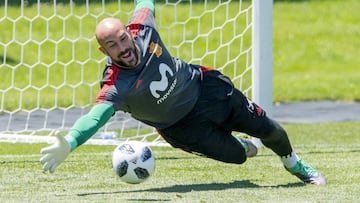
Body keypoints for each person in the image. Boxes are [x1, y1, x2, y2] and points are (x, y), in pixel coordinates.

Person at [40, 0, 326, 185]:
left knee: (269, 129)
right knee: (241, 156)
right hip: (183, 129)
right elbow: (95, 118)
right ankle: (241, 144)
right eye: (112, 45)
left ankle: (295, 165)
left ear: (129, 31)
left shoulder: (143, 27)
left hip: (207, 90)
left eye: (123, 38)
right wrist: (70, 142)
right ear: (104, 51)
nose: (123, 47)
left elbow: (145, 3)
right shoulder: (116, 86)